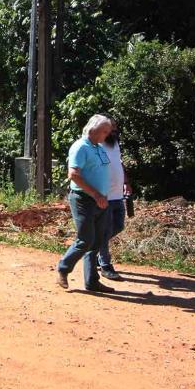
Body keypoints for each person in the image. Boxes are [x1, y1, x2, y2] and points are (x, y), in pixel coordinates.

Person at [56, 114, 115, 293]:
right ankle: (63, 268)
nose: (107, 135)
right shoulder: (81, 147)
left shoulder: (98, 147)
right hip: (84, 199)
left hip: (100, 200)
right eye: (105, 131)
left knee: (97, 241)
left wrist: (102, 195)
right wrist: (96, 194)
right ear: (94, 130)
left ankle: (92, 281)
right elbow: (73, 175)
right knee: (85, 239)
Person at [96, 119, 132, 281]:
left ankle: (94, 248)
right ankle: (105, 265)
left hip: (117, 194)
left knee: (118, 226)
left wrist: (126, 183)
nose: (115, 131)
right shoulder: (96, 144)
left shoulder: (115, 144)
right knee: (104, 230)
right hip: (104, 194)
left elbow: (119, 164)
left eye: (116, 128)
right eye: (112, 128)